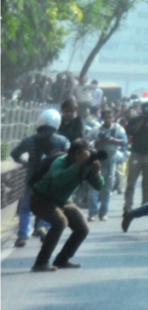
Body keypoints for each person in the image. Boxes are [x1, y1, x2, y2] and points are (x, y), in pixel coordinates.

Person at [27, 139, 104, 271]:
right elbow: (59, 180)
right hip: (41, 199)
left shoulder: (87, 165)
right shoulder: (60, 162)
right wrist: (77, 165)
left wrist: (96, 174)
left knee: (82, 228)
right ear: (74, 154)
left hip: (62, 201)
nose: (87, 156)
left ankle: (62, 259)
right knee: (60, 222)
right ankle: (41, 262)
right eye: (83, 153)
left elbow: (99, 186)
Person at [9, 108, 64, 248]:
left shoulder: (29, 140)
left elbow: (15, 153)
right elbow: (67, 158)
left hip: (32, 179)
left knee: (25, 208)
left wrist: (24, 162)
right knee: (48, 206)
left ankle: (22, 235)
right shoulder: (62, 141)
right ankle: (42, 226)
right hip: (51, 180)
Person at [87, 108, 126, 221]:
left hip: (110, 162)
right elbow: (87, 139)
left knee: (107, 190)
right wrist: (94, 143)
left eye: (110, 117)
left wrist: (112, 139)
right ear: (102, 118)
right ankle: (92, 213)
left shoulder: (118, 129)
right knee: (93, 188)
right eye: (106, 117)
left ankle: (103, 213)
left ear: (113, 118)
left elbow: (124, 142)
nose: (108, 119)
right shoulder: (97, 129)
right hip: (97, 162)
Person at [122, 105, 148, 216]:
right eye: (147, 113)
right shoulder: (135, 120)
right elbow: (130, 133)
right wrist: (141, 122)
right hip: (136, 154)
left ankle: (146, 207)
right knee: (131, 183)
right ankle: (127, 207)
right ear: (142, 112)